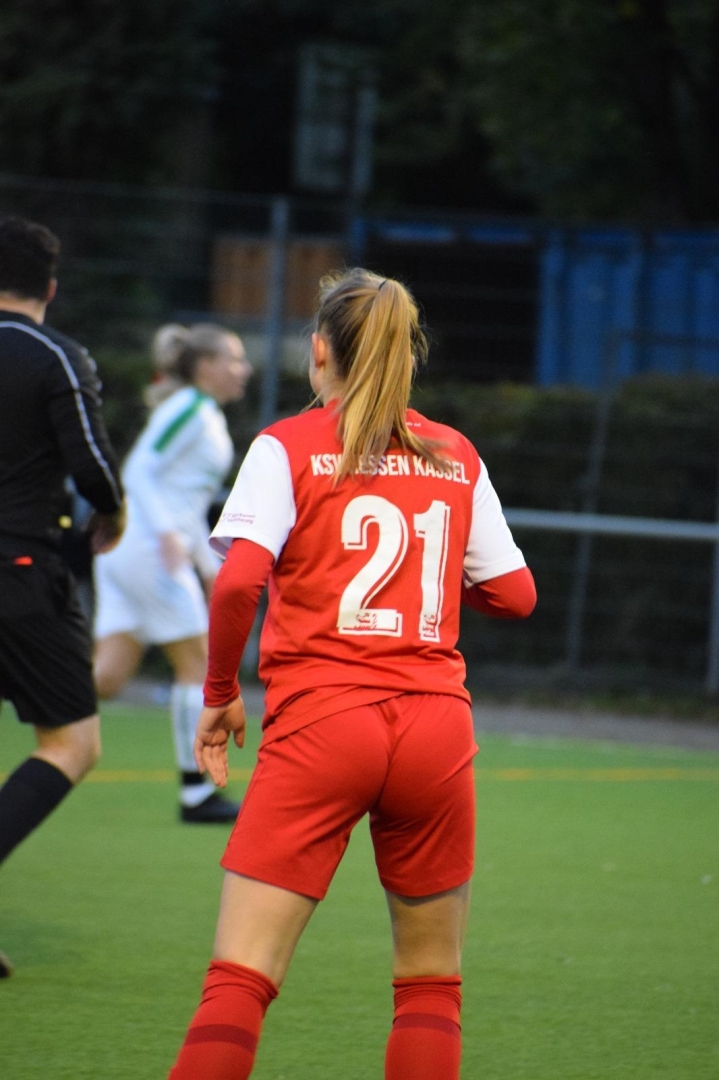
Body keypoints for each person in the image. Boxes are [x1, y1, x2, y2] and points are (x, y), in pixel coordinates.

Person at [168, 268, 537, 1078]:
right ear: (407, 356)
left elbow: (236, 582)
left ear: (318, 352)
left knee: (240, 979)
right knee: (430, 985)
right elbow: (516, 595)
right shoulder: (454, 453)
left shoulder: (286, 445)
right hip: (436, 728)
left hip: (323, 722)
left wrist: (220, 694)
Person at [0, 215, 126, 977]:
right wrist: (112, 512)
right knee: (71, 744)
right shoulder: (53, 355)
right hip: (17, 569)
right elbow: (92, 468)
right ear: (49, 286)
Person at [93, 322, 253, 823]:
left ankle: (16, 677)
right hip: (146, 550)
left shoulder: (205, 413)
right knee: (200, 665)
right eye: (233, 359)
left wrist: (207, 565)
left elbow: (185, 503)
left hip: (135, 550)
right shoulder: (189, 408)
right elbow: (138, 470)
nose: (243, 369)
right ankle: (196, 793)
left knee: (106, 678)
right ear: (205, 366)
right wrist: (165, 535)